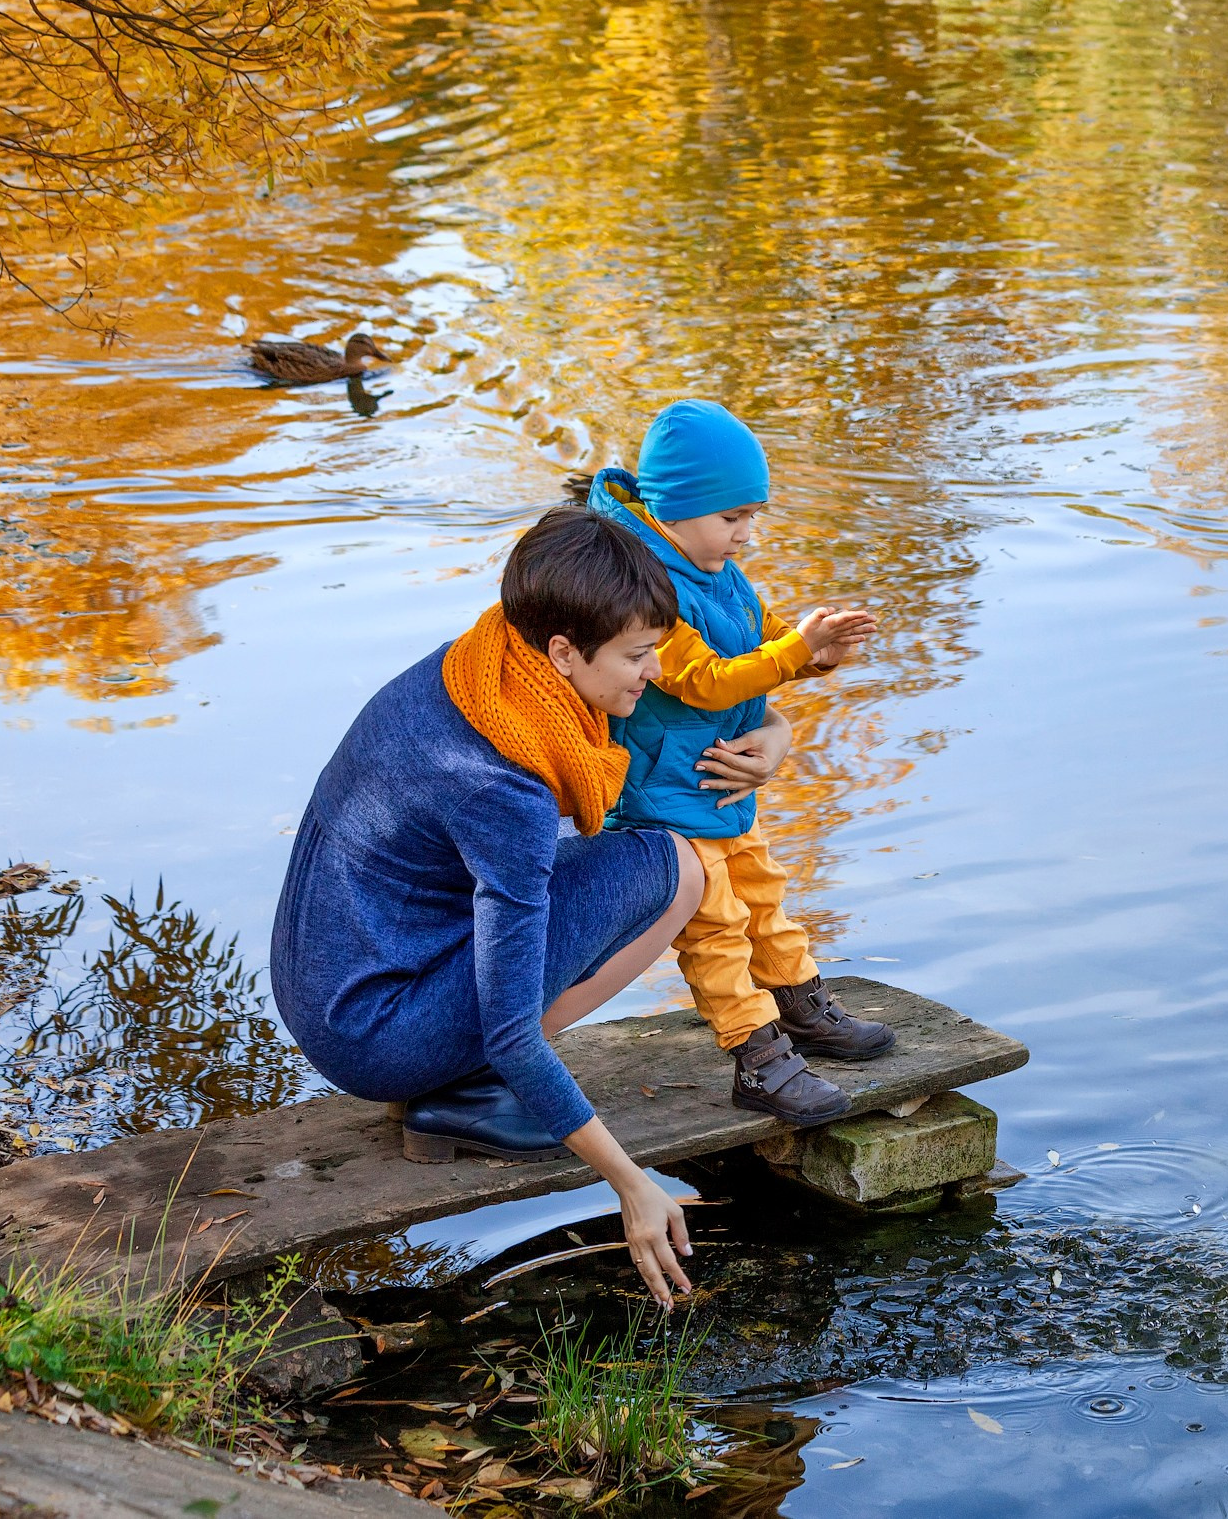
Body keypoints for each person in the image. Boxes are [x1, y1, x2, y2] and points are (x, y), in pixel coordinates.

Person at [270, 507, 707, 1306]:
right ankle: (465, 1091)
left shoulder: (476, 668)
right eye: (639, 656)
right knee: (674, 868)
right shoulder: (503, 781)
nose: (651, 673)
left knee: (625, 859)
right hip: (374, 1030)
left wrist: (772, 730)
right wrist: (631, 1182)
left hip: (329, 976)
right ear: (564, 651)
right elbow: (509, 1024)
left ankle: (459, 1075)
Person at [581, 400, 891, 1124]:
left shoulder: (715, 565)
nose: (746, 532)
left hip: (719, 780)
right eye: (732, 517)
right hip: (664, 789)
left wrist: (813, 653)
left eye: (754, 513)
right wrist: (791, 653)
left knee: (762, 894)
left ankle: (800, 1002)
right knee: (714, 924)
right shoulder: (641, 588)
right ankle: (756, 1055)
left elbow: (764, 637)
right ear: (676, 507)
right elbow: (706, 678)